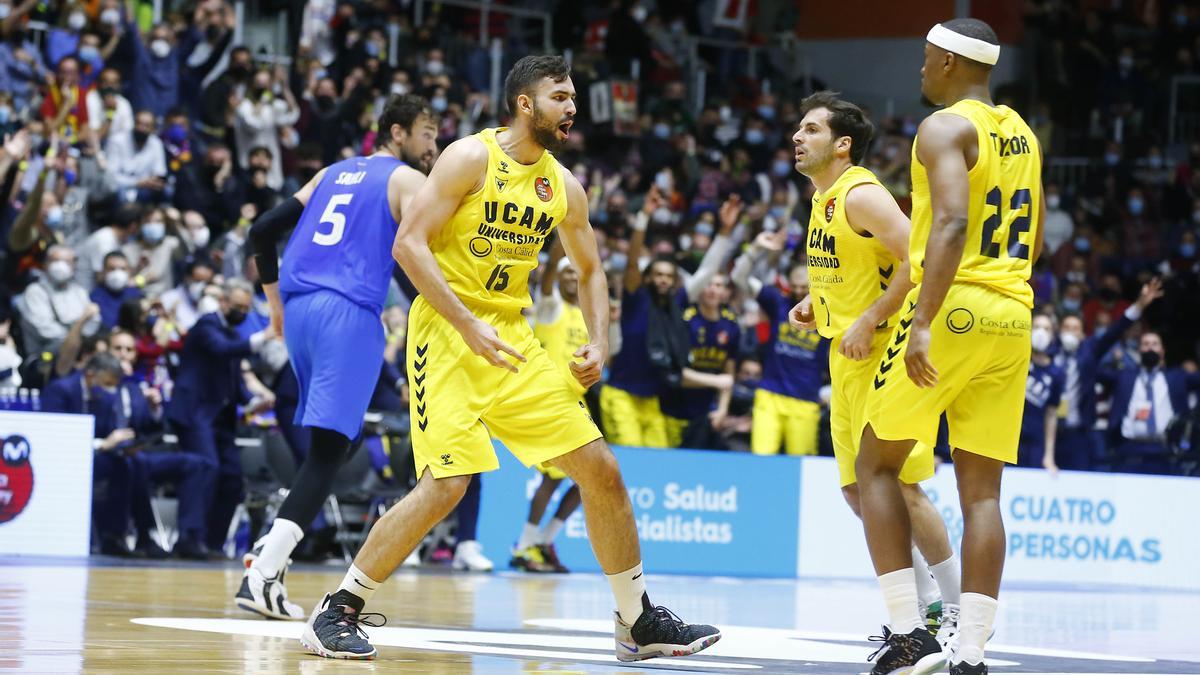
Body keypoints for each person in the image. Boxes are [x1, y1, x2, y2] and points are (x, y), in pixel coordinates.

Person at [301, 55, 720, 663]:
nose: (573, 106)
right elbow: (408, 245)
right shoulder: (470, 158)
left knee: (600, 468)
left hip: (512, 338)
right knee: (446, 486)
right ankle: (337, 610)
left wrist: (599, 341)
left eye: (574, 96)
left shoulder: (563, 186)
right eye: (561, 96)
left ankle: (636, 621)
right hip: (446, 332)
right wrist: (466, 322)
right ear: (526, 104)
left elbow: (592, 268)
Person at [855, 20, 1043, 675]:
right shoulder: (1021, 131)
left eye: (925, 58)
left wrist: (927, 318)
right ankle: (970, 653)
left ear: (946, 60)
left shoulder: (942, 128)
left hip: (953, 301)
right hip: (1013, 310)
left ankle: (909, 636)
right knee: (983, 494)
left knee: (875, 464)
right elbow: (1034, 238)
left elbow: (955, 221)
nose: (920, 69)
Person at [233, 93, 439, 621]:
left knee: (335, 445)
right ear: (397, 133)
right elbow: (421, 256)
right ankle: (262, 573)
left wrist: (275, 305)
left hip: (299, 311)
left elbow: (261, 231)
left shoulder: (331, 172)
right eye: (427, 133)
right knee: (329, 452)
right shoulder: (408, 181)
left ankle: (271, 554)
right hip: (348, 314)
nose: (433, 145)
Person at [786, 91, 961, 645]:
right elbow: (857, 266)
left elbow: (920, 259)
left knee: (901, 485)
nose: (797, 136)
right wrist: (823, 305)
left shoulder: (861, 194)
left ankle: (956, 607)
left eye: (810, 129)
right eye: (798, 127)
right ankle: (925, 606)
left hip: (886, 352)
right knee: (858, 492)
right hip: (846, 354)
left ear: (842, 145)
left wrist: (870, 318)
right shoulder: (822, 199)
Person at [166, 279, 276, 559]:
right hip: (194, 413)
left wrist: (252, 402)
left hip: (220, 417)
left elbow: (233, 376)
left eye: (245, 308)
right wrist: (264, 336)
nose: (241, 312)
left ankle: (213, 544)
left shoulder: (228, 331)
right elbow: (223, 351)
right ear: (224, 302)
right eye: (237, 306)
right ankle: (189, 539)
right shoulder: (206, 325)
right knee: (205, 469)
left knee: (232, 478)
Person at [512, 240, 586, 573]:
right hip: (545, 398)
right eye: (566, 272)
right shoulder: (550, 306)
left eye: (576, 273)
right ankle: (526, 547)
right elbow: (547, 278)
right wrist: (563, 229)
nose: (571, 278)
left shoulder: (586, 316)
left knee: (589, 479)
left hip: (575, 401)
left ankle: (542, 541)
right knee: (552, 479)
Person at [1052, 279, 1162, 471]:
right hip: (1047, 430)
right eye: (1066, 328)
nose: (1070, 332)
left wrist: (1139, 305)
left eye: (1075, 329)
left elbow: (1115, 330)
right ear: (1059, 331)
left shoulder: (1089, 350)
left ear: (1082, 334)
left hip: (1078, 432)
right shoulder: (1048, 352)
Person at [731, 245, 829, 457]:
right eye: (794, 286)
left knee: (802, 462)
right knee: (761, 461)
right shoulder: (778, 302)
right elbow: (739, 276)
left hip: (805, 400)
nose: (799, 292)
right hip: (770, 394)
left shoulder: (829, 310)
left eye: (804, 287)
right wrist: (755, 248)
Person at [1100, 329, 1200, 474]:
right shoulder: (1124, 377)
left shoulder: (1177, 377)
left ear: (1162, 351)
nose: (1150, 348)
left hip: (1165, 449)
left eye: (1155, 344)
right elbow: (1092, 367)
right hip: (1129, 449)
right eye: (1146, 344)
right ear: (1139, 349)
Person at [1018, 314, 1065, 471]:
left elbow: (1051, 414)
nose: (1040, 332)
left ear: (1052, 335)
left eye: (1046, 329)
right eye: (1036, 327)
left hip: (1035, 442)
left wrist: (1049, 456)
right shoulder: (1016, 362)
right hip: (1009, 438)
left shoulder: (1057, 374)